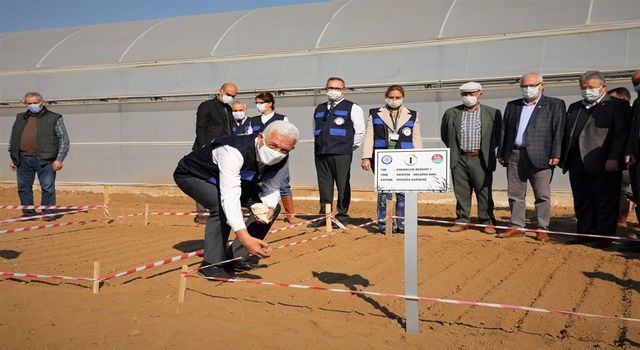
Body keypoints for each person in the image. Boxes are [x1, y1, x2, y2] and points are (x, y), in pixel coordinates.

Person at [173, 120, 299, 278]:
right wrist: (244, 236)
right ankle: (212, 263)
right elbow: (230, 196)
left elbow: (272, 187)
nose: (277, 152)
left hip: (232, 181)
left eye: (284, 150)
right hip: (194, 175)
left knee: (270, 208)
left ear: (291, 149)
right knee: (220, 207)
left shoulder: (282, 159)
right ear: (261, 137)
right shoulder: (232, 151)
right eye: (273, 145)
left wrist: (270, 207)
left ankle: (237, 256)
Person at [560, 71, 631, 248]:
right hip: (576, 162)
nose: (586, 91)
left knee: (605, 200)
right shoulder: (575, 107)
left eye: (591, 88)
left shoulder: (616, 106)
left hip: (603, 162)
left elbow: (621, 134)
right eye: (583, 88)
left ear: (603, 87)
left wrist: (614, 157)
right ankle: (584, 233)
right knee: (582, 199)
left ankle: (604, 237)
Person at [496, 73, 566, 242]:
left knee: (542, 194)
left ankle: (542, 227)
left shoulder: (554, 104)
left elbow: (559, 130)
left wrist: (556, 153)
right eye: (524, 86)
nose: (528, 89)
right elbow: (504, 131)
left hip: (541, 155)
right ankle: (517, 225)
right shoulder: (512, 106)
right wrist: (501, 153)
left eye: (532, 85)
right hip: (515, 154)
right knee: (515, 193)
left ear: (542, 85)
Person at [441, 82, 501, 234]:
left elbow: (498, 136)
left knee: (484, 191)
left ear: (480, 94)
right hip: (459, 158)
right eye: (465, 94)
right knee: (461, 191)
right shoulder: (451, 113)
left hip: (480, 158)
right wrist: (456, 150)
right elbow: (445, 135)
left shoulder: (493, 113)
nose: (468, 97)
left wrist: (483, 151)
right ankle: (462, 220)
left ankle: (486, 220)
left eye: (472, 94)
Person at [361, 85, 422, 233]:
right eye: (391, 97)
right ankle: (384, 224)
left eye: (397, 97)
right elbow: (369, 136)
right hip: (382, 158)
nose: (394, 100)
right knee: (384, 192)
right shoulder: (375, 114)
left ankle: (402, 224)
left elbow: (417, 138)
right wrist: (366, 157)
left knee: (402, 192)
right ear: (386, 97)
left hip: (405, 159)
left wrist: (420, 158)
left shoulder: (412, 115)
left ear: (403, 98)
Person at [308, 77, 366, 228]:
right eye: (330, 88)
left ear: (343, 91)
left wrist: (348, 147)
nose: (333, 91)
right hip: (321, 152)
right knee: (324, 185)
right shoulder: (319, 108)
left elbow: (360, 131)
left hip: (342, 153)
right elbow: (314, 129)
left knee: (342, 184)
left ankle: (342, 215)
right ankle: (324, 215)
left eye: (337, 88)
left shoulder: (352, 107)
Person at [8, 92, 70, 221]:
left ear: (42, 102)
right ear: (25, 104)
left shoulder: (54, 117)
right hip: (23, 159)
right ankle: (28, 214)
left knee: (47, 187)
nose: (32, 105)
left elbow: (64, 139)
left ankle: (48, 212)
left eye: (35, 103)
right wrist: (14, 158)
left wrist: (59, 159)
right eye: (29, 103)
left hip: (45, 159)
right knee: (24, 188)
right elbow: (14, 138)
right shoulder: (20, 117)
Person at [247, 92, 299, 224]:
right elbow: (248, 137)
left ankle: (290, 214)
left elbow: (288, 137)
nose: (258, 105)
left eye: (261, 102)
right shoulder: (252, 120)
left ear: (270, 103)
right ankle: (260, 211)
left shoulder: (281, 118)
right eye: (257, 103)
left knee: (283, 185)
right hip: (259, 157)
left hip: (278, 158)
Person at [192, 82, 237, 224]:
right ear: (220, 91)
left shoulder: (228, 109)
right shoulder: (206, 106)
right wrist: (204, 147)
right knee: (202, 179)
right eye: (228, 94)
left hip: (223, 150)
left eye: (233, 96)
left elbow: (229, 130)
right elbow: (201, 128)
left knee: (219, 180)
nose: (230, 97)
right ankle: (201, 212)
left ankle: (217, 209)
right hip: (206, 149)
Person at [608, 87, 633, 227]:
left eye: (613, 99)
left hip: (627, 158)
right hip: (616, 157)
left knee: (623, 190)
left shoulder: (630, 112)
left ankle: (621, 220)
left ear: (623, 99)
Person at [624, 70, 640, 246]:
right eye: (635, 82)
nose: (637, 85)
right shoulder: (637, 103)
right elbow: (633, 131)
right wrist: (630, 150)